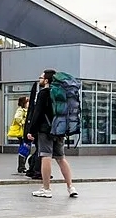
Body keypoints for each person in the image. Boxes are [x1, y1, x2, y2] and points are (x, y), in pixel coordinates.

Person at [27, 69, 78, 198]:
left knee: (46, 156)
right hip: (59, 130)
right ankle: (70, 187)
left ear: (46, 80)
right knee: (61, 158)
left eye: (41, 77)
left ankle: (46, 188)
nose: (40, 80)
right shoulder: (62, 94)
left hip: (45, 130)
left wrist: (31, 130)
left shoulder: (44, 93)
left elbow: (37, 113)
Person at [9, 96, 29, 172]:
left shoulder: (26, 110)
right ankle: (21, 167)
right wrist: (24, 122)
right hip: (22, 133)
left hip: (25, 132)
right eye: (27, 101)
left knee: (26, 149)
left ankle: (22, 166)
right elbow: (17, 118)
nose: (28, 103)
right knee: (24, 149)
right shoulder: (20, 110)